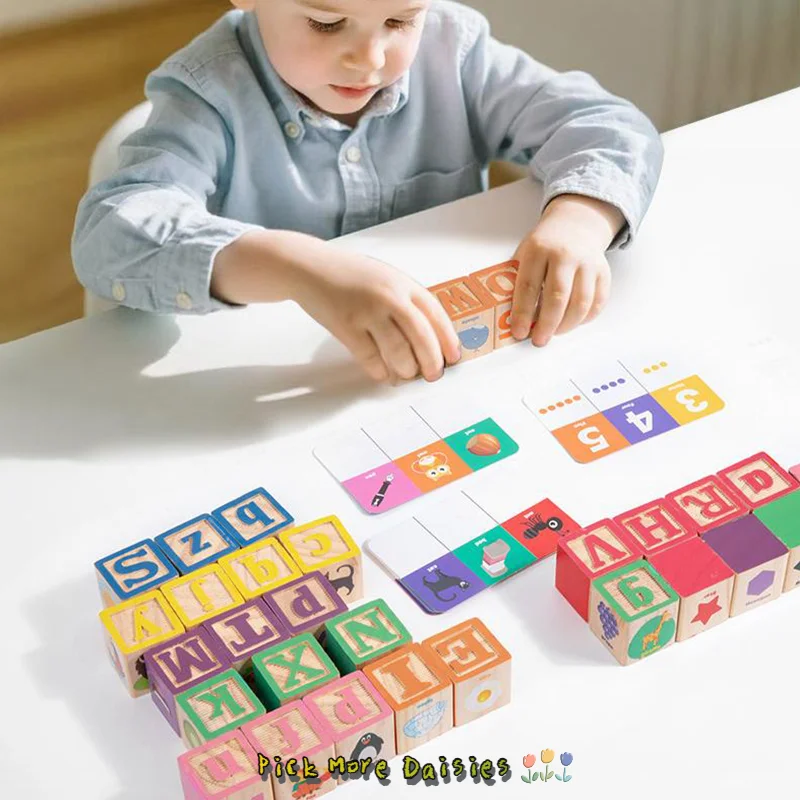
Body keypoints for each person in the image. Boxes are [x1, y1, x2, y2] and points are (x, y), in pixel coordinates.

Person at [72, 0, 664, 385]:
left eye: (400, 21)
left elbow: (607, 124)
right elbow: (111, 231)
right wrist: (299, 267)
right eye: (327, 23)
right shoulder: (208, 92)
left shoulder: (454, 49)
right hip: (276, 380)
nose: (371, 59)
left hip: (448, 373)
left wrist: (581, 220)